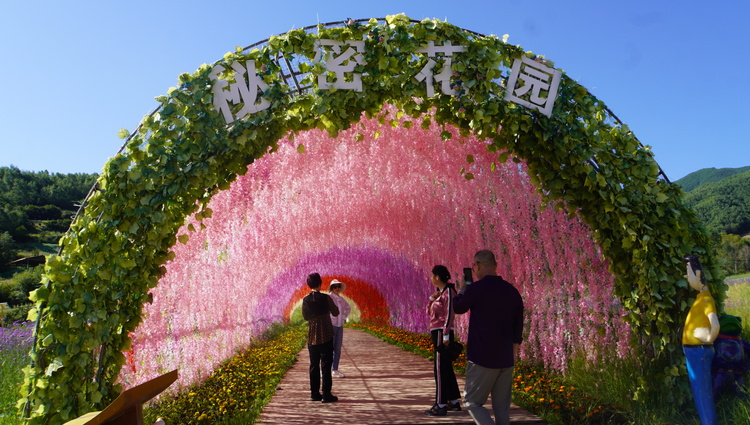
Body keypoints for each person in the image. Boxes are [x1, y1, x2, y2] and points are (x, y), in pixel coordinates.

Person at [454, 249, 524, 425]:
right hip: (506, 358)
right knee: (502, 407)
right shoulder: (511, 291)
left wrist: (462, 289)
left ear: (477, 266)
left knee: (472, 402)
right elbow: (518, 323)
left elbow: (458, 308)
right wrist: (514, 349)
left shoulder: (476, 289)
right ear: (495, 265)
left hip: (482, 357)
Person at [682, 254, 719, 425]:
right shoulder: (700, 298)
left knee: (702, 392)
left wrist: (709, 337)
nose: (686, 278)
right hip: (694, 351)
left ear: (698, 276)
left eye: (688, 275)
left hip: (699, 351)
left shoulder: (705, 299)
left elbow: (715, 324)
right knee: (699, 391)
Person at [424, 265, 462, 416]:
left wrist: (446, 335)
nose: (431, 278)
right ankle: (453, 401)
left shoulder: (449, 292)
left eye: (432, 276)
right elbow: (429, 312)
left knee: (439, 369)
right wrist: (431, 299)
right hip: (436, 331)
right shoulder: (440, 293)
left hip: (442, 333)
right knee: (445, 367)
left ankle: (440, 405)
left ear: (437, 277)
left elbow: (449, 315)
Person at [302, 272, 340, 403]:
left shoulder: (305, 300)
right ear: (320, 283)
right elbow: (336, 312)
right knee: (326, 364)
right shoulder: (326, 298)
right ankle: (326, 394)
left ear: (309, 285)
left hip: (312, 336)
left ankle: (314, 393)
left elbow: (305, 317)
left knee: (314, 365)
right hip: (326, 334)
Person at [329, 279, 352, 378]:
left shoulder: (342, 300)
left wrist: (343, 317)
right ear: (331, 288)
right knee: (329, 348)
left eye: (338, 286)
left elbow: (348, 308)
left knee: (337, 348)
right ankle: (325, 369)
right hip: (331, 325)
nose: (337, 288)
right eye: (335, 287)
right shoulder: (329, 298)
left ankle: (335, 369)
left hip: (339, 325)